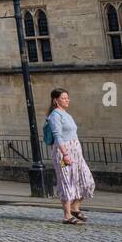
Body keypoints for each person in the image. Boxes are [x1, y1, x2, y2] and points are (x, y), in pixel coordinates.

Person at [48, 88, 95, 225]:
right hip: (64, 152)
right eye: (64, 98)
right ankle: (67, 215)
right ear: (56, 100)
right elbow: (58, 136)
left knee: (87, 180)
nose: (67, 100)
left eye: (68, 97)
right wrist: (65, 154)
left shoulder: (67, 114)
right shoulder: (55, 115)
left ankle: (75, 208)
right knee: (66, 182)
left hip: (76, 153)